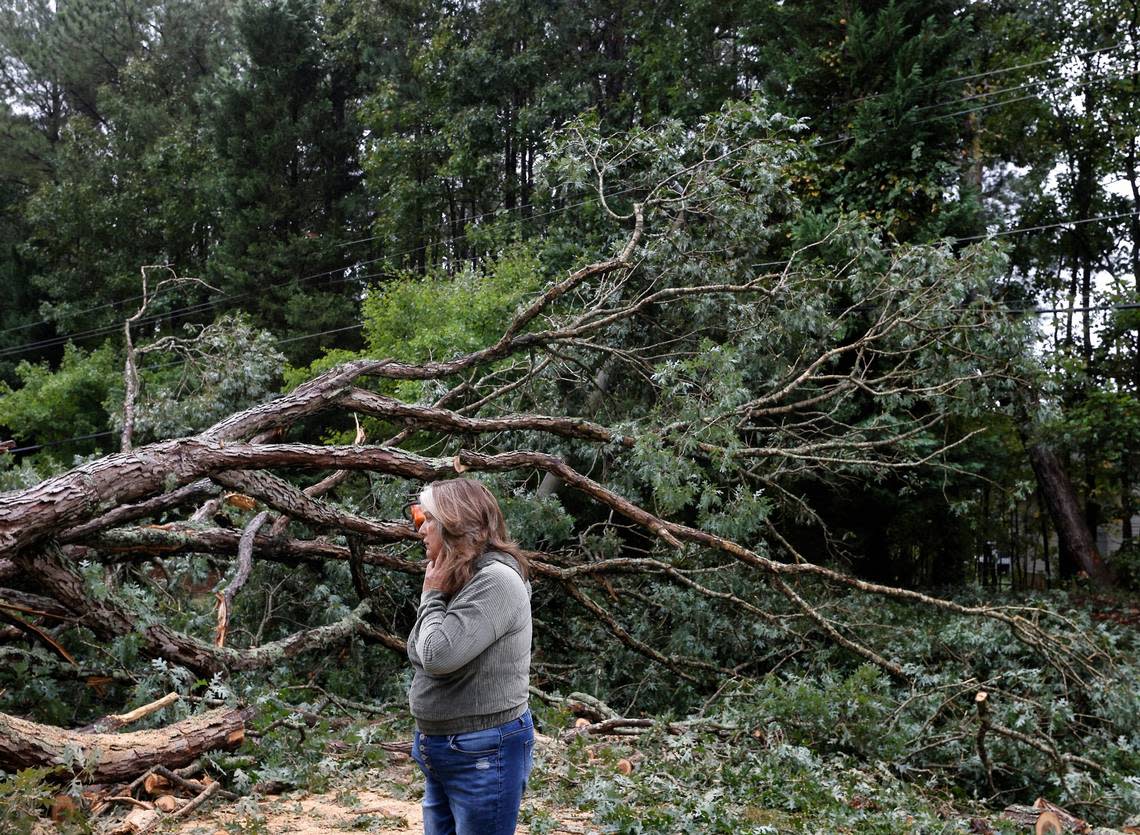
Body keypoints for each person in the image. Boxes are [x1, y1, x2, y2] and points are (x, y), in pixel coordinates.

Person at [406, 478, 534, 835]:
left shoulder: (495, 581)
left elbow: (435, 655)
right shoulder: (459, 576)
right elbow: (417, 649)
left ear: (454, 523)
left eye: (426, 518)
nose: (420, 529)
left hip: (483, 751)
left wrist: (430, 596)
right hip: (446, 749)